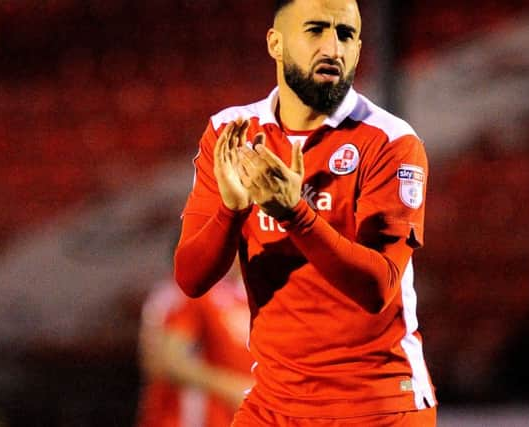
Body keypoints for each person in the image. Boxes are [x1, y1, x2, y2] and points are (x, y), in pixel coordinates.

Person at [174, 0, 437, 425]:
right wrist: (231, 210)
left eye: (346, 35)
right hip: (274, 404)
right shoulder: (232, 133)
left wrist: (295, 214)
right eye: (315, 30)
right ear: (275, 43)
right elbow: (191, 278)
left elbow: (378, 289)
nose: (333, 48)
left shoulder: (391, 142)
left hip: (376, 404)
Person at [136, 260, 254, 427]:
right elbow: (162, 361)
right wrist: (231, 387)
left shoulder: (257, 295)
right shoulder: (193, 292)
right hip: (189, 417)